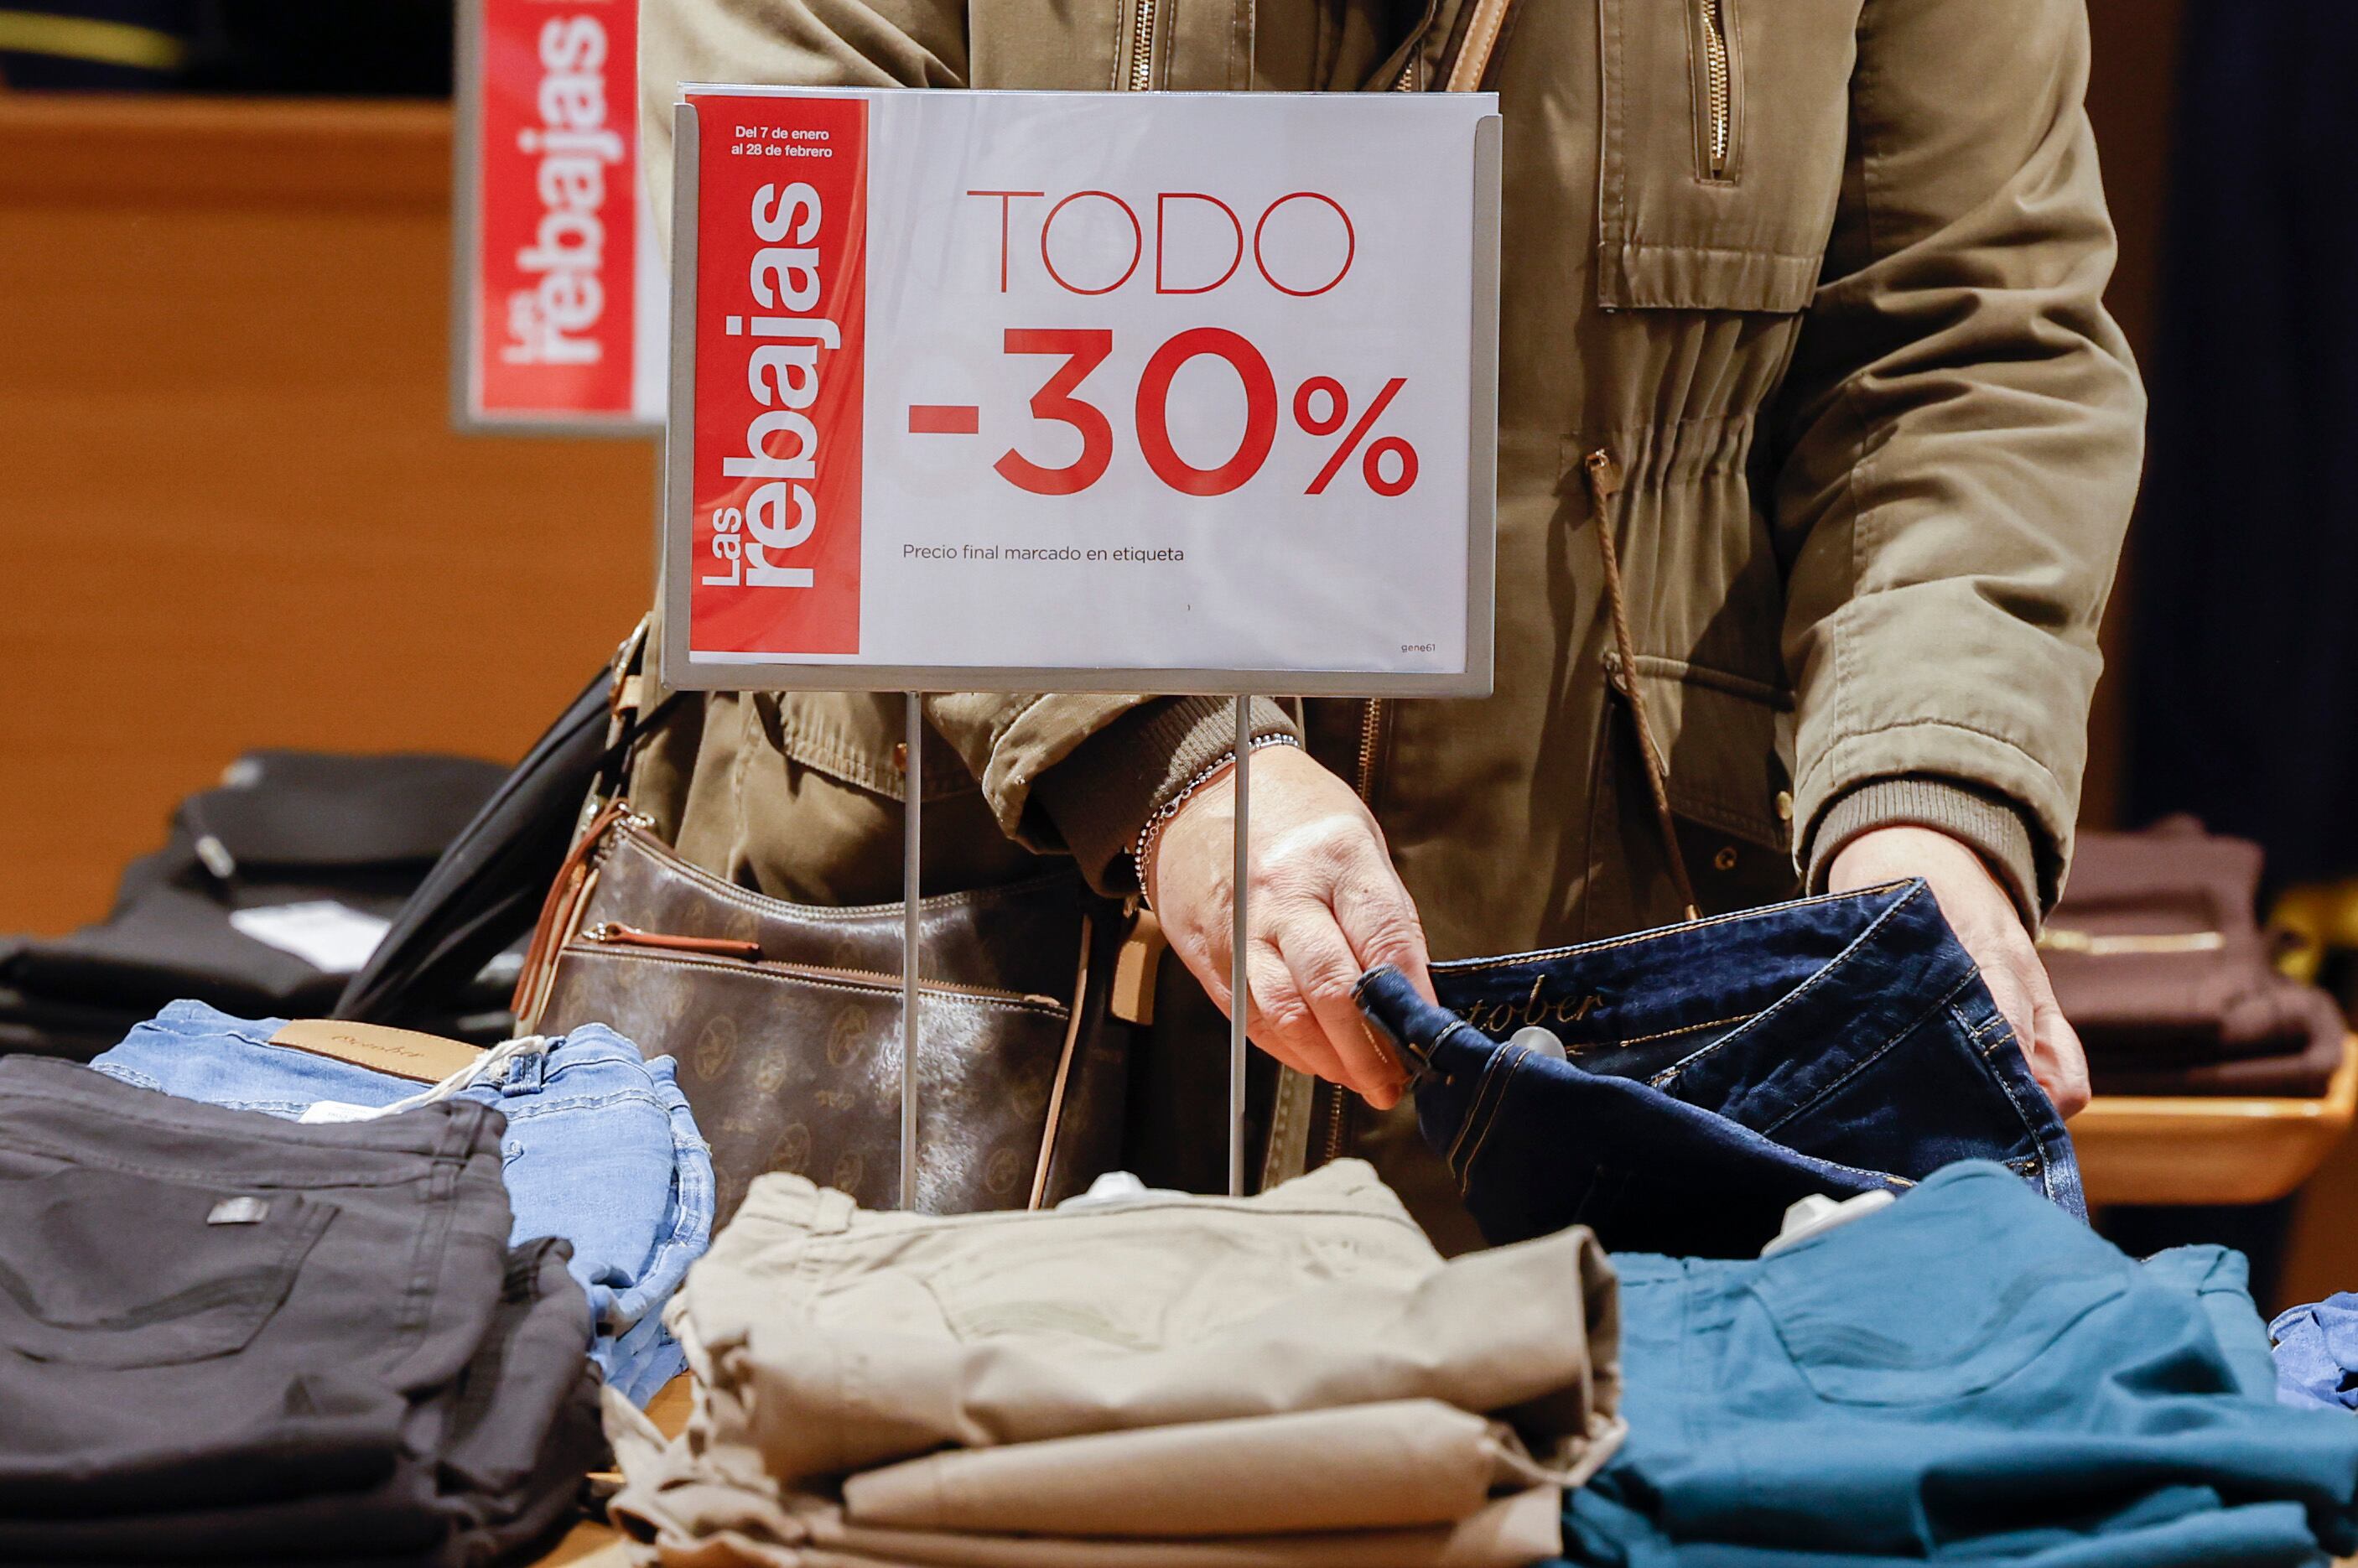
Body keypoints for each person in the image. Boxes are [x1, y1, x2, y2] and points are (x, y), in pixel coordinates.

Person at [625, 0, 2142, 1242]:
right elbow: (796, 234)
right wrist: (1152, 737)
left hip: (1583, 1043)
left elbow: (1967, 348)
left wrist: (1925, 796)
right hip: (941, 981)